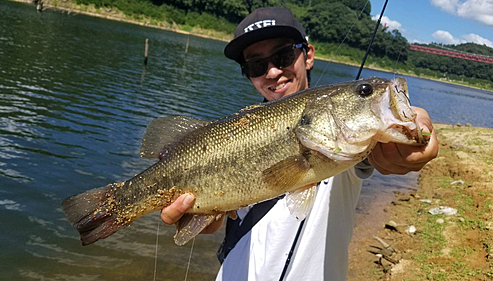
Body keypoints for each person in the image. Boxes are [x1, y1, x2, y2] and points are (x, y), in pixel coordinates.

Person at [161, 7, 438, 281]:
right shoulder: (236, 137)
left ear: (308, 56)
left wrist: (417, 129)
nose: (271, 72)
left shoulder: (348, 150)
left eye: (282, 56)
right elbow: (224, 213)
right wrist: (207, 217)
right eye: (256, 65)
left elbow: (386, 147)